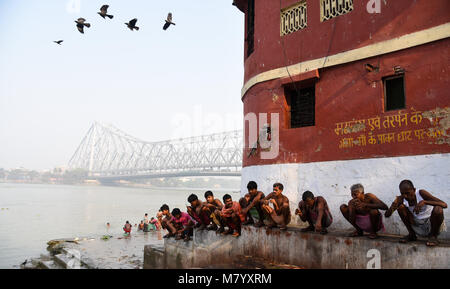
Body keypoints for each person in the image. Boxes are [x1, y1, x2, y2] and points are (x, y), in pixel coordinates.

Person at [385, 179, 447, 246]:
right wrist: (393, 207)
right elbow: (387, 215)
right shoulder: (401, 199)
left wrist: (424, 202)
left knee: (438, 209)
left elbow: (444, 204)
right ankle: (412, 235)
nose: (405, 196)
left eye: (407, 193)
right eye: (402, 193)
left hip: (431, 223)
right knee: (401, 208)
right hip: (417, 224)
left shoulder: (421, 193)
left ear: (414, 190)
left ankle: (433, 237)